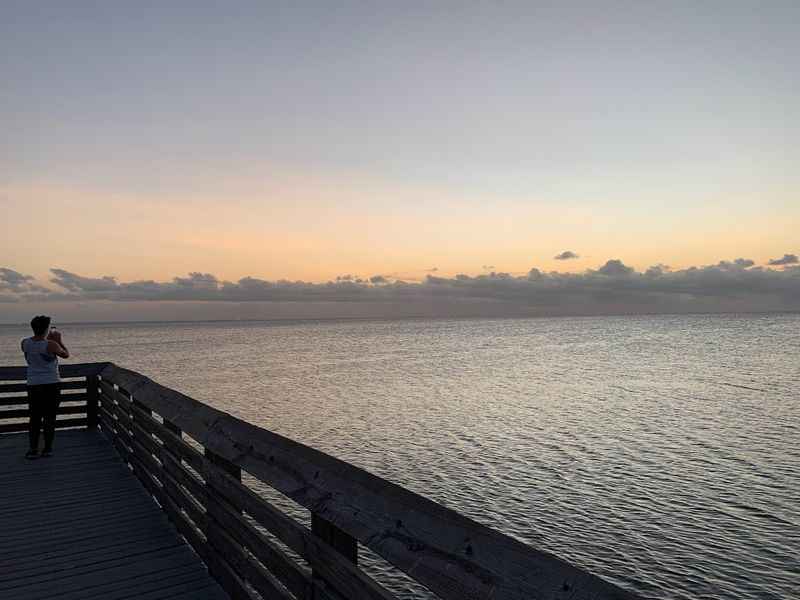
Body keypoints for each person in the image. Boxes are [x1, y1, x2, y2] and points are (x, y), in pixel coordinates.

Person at [21, 315, 69, 459]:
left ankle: (33, 450)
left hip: (33, 384)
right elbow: (66, 355)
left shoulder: (24, 343)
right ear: (46, 328)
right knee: (49, 418)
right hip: (51, 384)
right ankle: (47, 449)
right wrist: (59, 341)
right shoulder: (51, 345)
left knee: (34, 418)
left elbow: (29, 358)